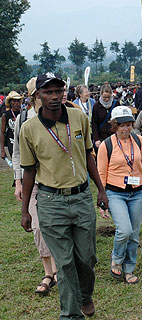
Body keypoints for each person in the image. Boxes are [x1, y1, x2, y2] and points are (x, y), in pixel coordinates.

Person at [19, 73, 108, 319]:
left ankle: (85, 295)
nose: (55, 96)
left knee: (87, 258)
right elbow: (28, 170)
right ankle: (70, 315)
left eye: (58, 91)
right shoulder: (29, 129)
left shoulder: (79, 117)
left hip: (80, 198)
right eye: (48, 92)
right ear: (38, 96)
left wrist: (100, 189)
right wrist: (25, 209)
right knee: (65, 263)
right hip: (50, 202)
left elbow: (89, 154)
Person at [97, 106, 142, 284]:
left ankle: (129, 269)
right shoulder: (106, 145)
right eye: (121, 125)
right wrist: (102, 202)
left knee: (134, 234)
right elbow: (101, 175)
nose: (126, 129)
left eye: (129, 125)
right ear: (114, 125)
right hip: (115, 194)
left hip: (137, 193)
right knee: (124, 229)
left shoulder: (138, 141)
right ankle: (116, 258)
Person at [13, 77, 58, 296]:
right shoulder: (24, 119)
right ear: (34, 96)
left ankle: (58, 270)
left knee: (55, 226)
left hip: (55, 182)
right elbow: (17, 153)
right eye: (44, 92)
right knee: (38, 228)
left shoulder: (59, 115)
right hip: (33, 183)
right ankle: (48, 273)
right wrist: (19, 182)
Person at [92, 84, 118, 152]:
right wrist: (96, 139)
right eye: (104, 97)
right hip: (101, 136)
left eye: (108, 97)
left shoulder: (116, 104)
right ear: (101, 95)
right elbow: (94, 123)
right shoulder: (96, 106)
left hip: (114, 135)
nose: (106, 99)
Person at [1, 91, 23, 159]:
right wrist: (2, 150)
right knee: (16, 163)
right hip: (12, 142)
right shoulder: (6, 115)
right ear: (10, 102)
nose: (16, 103)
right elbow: (2, 132)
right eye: (14, 101)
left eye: (18, 101)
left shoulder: (24, 113)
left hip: (23, 142)